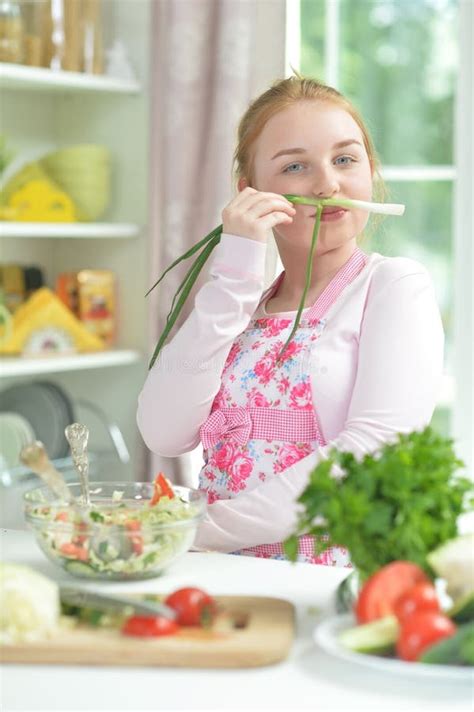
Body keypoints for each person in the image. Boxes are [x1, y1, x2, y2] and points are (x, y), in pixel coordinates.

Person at [137, 75, 444, 565]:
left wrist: (197, 530)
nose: (327, 184)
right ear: (250, 192)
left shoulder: (392, 288)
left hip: (326, 586)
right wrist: (235, 275)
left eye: (345, 159)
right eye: (296, 166)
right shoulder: (238, 307)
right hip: (221, 578)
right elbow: (163, 431)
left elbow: (370, 450)